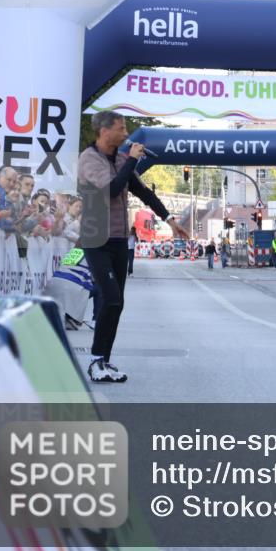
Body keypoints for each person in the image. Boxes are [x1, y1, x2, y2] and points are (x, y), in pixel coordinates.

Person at [78, 111, 188, 383]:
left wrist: (170, 221)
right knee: (111, 297)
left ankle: (104, 359)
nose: (126, 134)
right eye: (121, 128)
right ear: (104, 131)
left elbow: (144, 193)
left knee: (117, 303)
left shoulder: (121, 159)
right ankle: (95, 361)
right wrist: (133, 159)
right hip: (95, 239)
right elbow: (112, 189)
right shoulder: (89, 159)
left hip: (118, 239)